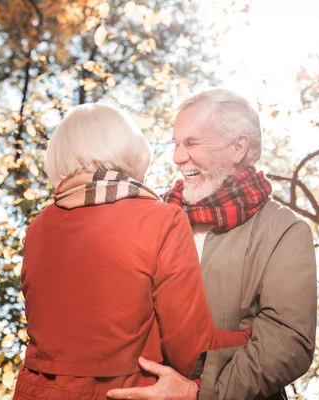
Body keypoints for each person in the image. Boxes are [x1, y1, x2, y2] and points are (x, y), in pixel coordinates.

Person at [13, 103, 251, 400]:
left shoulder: (38, 228)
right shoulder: (161, 219)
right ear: (130, 149)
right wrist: (253, 336)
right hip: (125, 392)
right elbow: (191, 351)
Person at [107, 89, 317, 400]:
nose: (178, 157)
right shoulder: (156, 218)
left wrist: (197, 392)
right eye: (177, 144)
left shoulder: (284, 230)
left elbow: (288, 339)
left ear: (237, 147)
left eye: (192, 143)